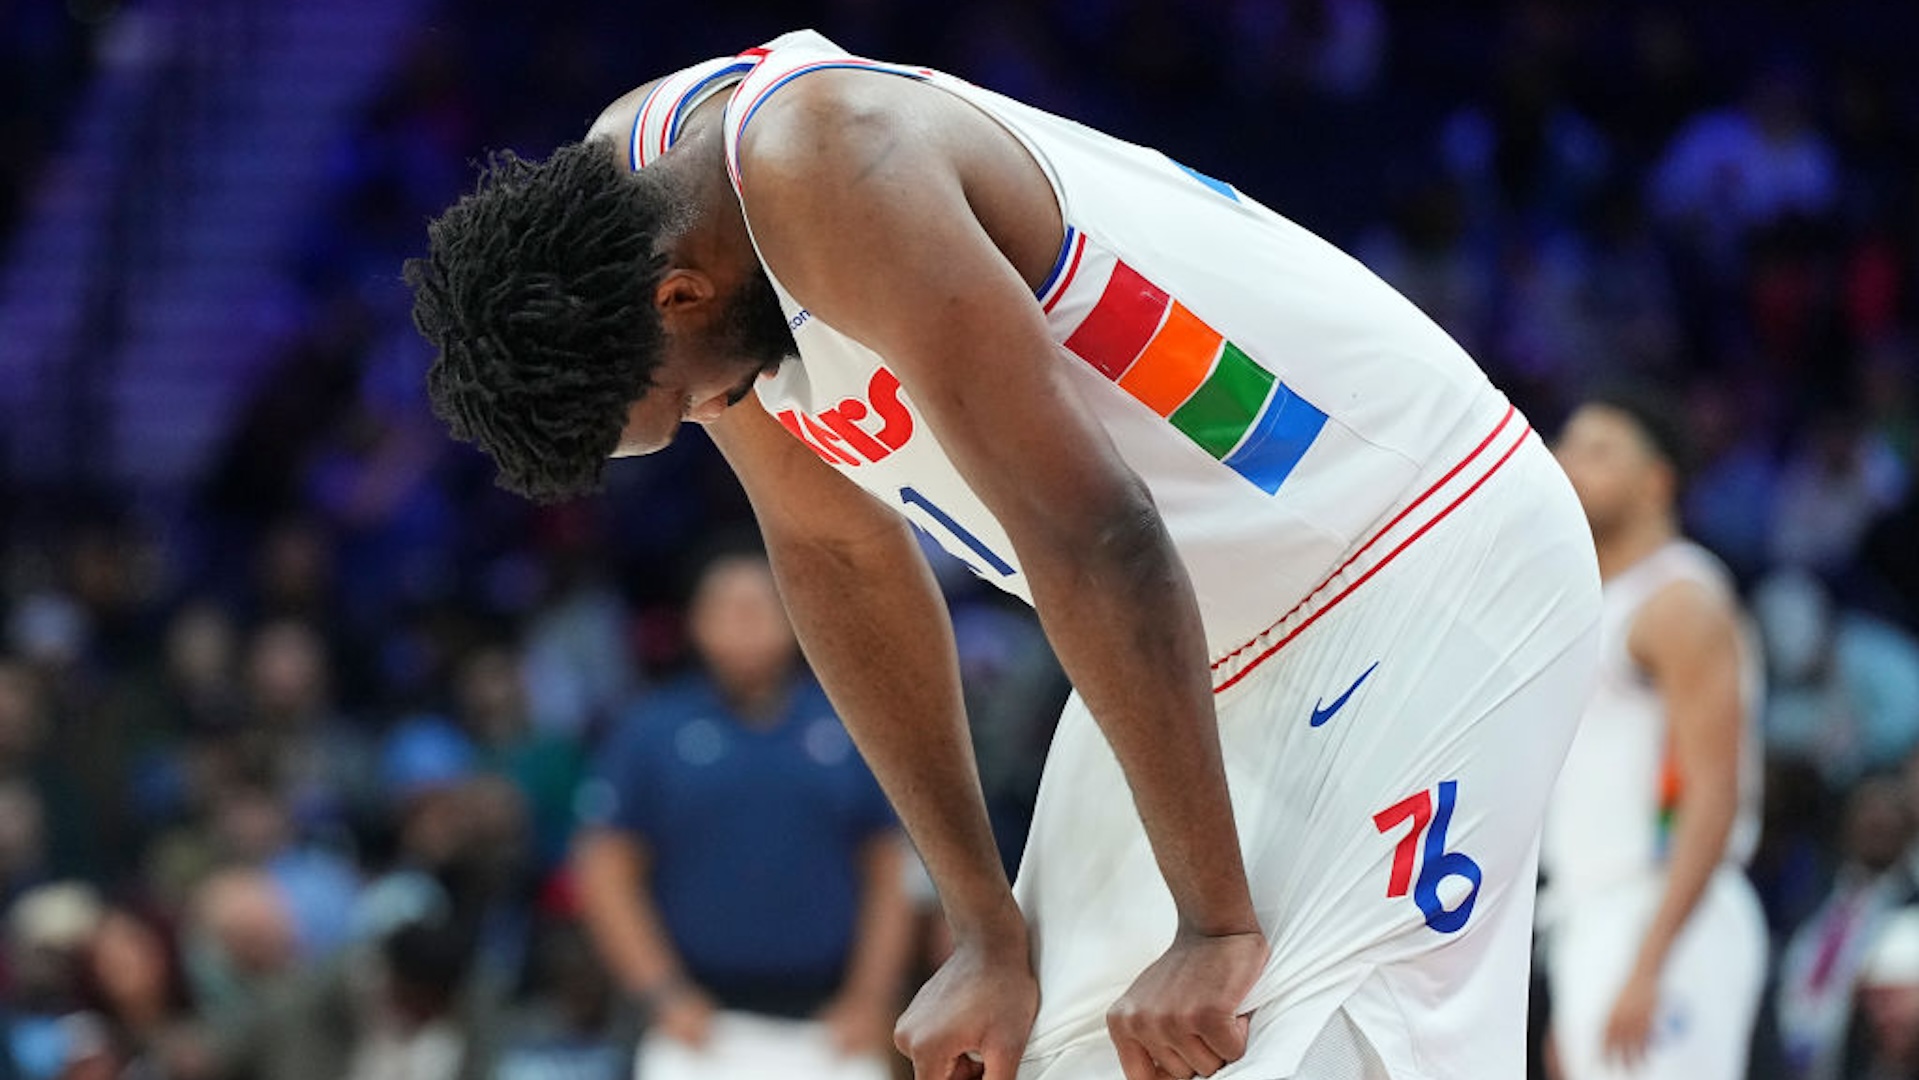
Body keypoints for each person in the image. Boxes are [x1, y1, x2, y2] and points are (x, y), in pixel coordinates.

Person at [406, 29, 1602, 1080]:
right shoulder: (646, 217)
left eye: (695, 405)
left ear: (676, 297)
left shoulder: (825, 163)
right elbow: (833, 551)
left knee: (1317, 1047)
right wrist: (983, 927)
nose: (723, 416)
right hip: (1206, 633)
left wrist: (1214, 923)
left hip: (1412, 550)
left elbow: (1098, 534)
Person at [572, 549, 914, 1080]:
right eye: (728, 605)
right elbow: (605, 870)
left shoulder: (851, 724)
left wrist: (870, 998)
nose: (745, 619)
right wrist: (663, 993)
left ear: (795, 611)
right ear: (696, 621)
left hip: (831, 1026)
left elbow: (892, 869)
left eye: (760, 603)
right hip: (700, 1027)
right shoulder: (650, 731)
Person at [1543, 393, 1767, 1080]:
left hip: (1666, 909)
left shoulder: (1679, 600)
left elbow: (1711, 794)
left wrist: (1649, 961)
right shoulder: (1593, 602)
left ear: (1655, 482)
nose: (1567, 464)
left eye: (1598, 451)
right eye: (1566, 445)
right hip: (1592, 914)